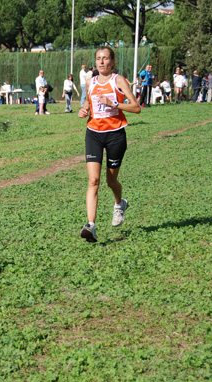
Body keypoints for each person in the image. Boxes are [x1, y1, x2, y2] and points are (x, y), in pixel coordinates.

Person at [78, 46, 141, 243]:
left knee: (110, 181)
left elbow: (136, 107)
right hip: (94, 134)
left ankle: (119, 203)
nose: (102, 62)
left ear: (113, 62)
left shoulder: (118, 80)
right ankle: (91, 226)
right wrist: (84, 110)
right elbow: (89, 103)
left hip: (115, 135)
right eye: (98, 58)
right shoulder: (90, 82)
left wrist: (115, 104)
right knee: (93, 181)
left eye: (106, 58)